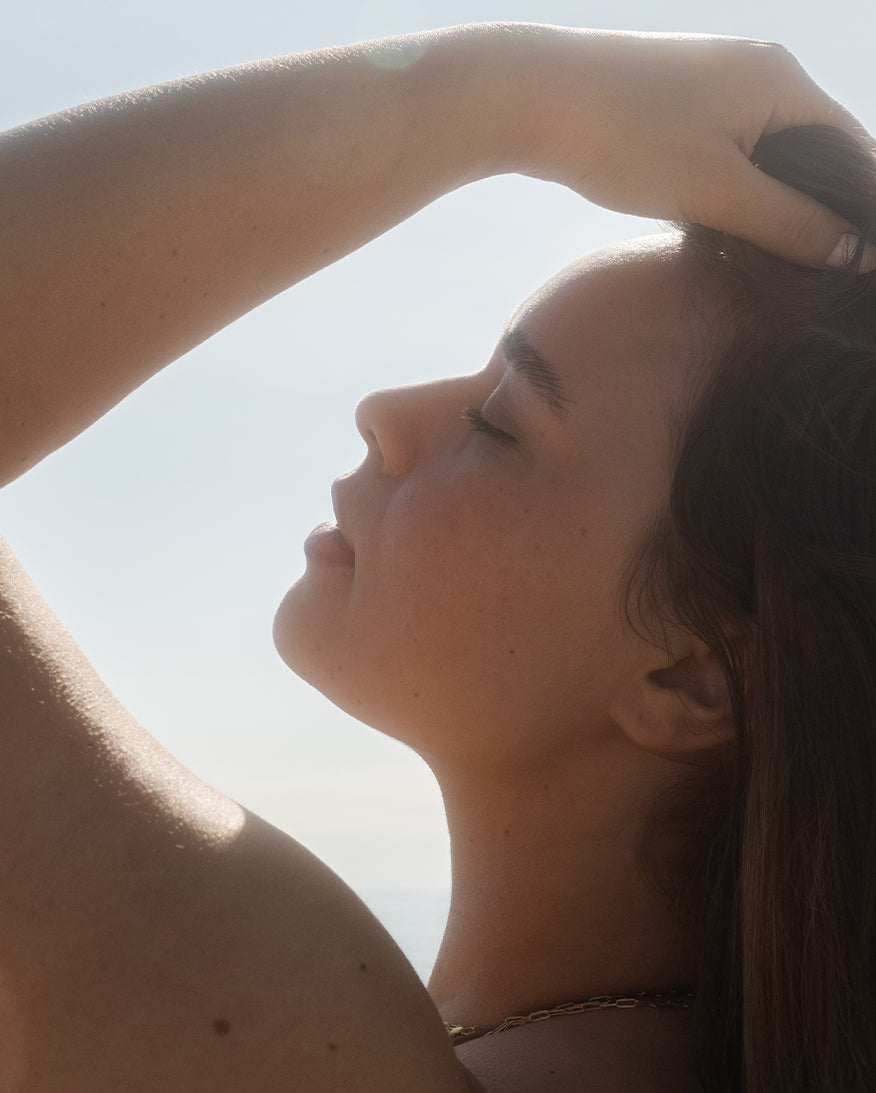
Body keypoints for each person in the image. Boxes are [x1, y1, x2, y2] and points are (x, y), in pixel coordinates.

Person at [0, 21, 874, 1092]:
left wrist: (511, 95)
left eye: (501, 422)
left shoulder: (290, 1033)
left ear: (688, 674)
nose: (385, 412)